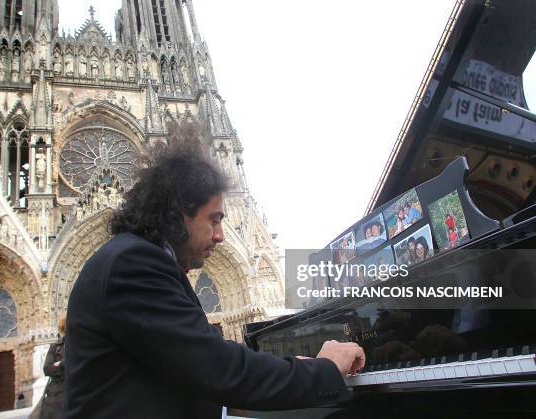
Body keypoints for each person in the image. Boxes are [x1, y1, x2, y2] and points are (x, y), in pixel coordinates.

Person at [63, 140, 365, 419]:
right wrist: (324, 370)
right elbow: (220, 370)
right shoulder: (133, 264)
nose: (220, 235)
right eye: (214, 219)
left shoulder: (131, 256)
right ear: (178, 213)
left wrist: (294, 369)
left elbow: (195, 366)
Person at [39, 315, 66, 419]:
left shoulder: (79, 345)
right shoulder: (55, 347)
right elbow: (47, 369)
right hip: (56, 396)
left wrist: (61, 363)